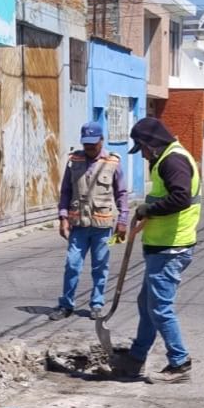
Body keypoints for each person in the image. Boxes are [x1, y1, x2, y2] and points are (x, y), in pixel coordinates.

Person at [113, 117, 201, 382]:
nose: (142, 154)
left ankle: (179, 362)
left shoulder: (173, 160)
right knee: (147, 303)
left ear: (151, 143)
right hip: (161, 245)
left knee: (160, 307)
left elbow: (180, 197)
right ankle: (137, 356)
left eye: (141, 147)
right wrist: (147, 210)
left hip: (171, 247)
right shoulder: (167, 158)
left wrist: (148, 209)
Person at [50, 122, 129, 321]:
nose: (89, 148)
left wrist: (123, 221)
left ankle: (97, 304)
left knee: (100, 267)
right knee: (72, 264)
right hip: (79, 226)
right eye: (86, 144)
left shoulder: (113, 162)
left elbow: (121, 194)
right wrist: (63, 218)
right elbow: (66, 192)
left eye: (93, 144)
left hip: (103, 227)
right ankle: (66, 304)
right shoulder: (74, 161)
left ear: (102, 141)